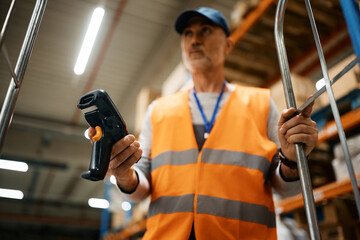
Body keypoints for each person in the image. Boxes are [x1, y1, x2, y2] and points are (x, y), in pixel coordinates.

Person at [88, 7, 318, 239]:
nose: (194, 40)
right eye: (187, 34)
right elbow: (141, 188)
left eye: (205, 30)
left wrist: (291, 160)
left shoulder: (261, 104)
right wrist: (124, 175)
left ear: (228, 45)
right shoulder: (158, 111)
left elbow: (286, 188)